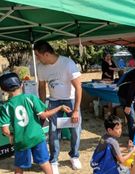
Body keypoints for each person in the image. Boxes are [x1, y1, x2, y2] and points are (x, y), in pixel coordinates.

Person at [0, 72, 71, 174]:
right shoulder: (30, 98)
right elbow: (44, 115)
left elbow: (5, 130)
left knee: (19, 166)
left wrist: (11, 136)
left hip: (21, 141)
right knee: (44, 162)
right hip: (37, 137)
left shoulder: (5, 107)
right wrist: (60, 107)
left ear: (3, 90)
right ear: (21, 85)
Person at [34, 41, 82, 173]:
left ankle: (74, 156)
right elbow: (42, 88)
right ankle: (54, 160)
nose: (37, 58)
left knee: (75, 130)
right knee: (53, 131)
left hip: (71, 100)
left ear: (47, 54)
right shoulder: (41, 67)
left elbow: (78, 87)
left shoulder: (67, 63)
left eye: (38, 55)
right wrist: (42, 107)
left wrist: (76, 110)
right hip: (54, 102)